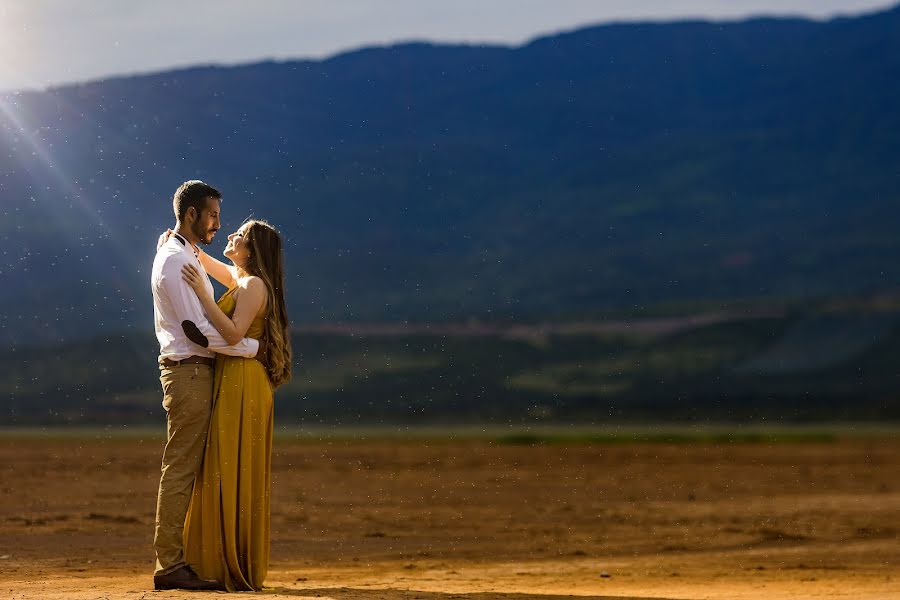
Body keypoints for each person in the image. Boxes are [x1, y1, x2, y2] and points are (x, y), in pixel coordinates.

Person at [150, 180, 266, 591]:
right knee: (181, 466)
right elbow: (196, 331)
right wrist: (250, 347)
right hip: (189, 370)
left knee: (191, 466)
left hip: (200, 371)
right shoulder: (173, 261)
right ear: (191, 214)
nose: (219, 223)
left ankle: (190, 557)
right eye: (213, 214)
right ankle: (170, 565)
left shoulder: (183, 253)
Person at [180, 218, 292, 591]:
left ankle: (222, 560)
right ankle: (220, 555)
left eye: (239, 235)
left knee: (228, 465)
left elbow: (232, 334)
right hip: (236, 379)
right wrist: (185, 243)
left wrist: (202, 295)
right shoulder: (243, 280)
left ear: (252, 250)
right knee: (226, 464)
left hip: (244, 383)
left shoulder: (254, 285)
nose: (230, 235)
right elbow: (209, 261)